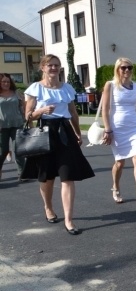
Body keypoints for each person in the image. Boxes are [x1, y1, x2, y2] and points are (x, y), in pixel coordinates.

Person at [20, 55, 95, 234]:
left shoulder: (67, 88)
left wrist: (77, 132)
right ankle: (48, 207)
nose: (54, 68)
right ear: (43, 68)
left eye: (56, 65)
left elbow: (72, 112)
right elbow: (27, 115)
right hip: (44, 131)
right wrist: (42, 111)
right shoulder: (35, 88)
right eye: (50, 65)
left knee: (67, 176)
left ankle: (69, 220)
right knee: (47, 176)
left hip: (65, 131)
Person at [100, 58, 136, 209]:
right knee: (120, 163)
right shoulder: (111, 85)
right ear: (117, 69)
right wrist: (108, 129)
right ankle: (116, 186)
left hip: (134, 127)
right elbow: (105, 109)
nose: (127, 70)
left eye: (129, 67)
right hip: (118, 128)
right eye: (123, 68)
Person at [0, 73, 25, 181]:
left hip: (17, 125)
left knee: (18, 150)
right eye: (4, 82)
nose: (6, 83)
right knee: (3, 151)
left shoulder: (17, 93)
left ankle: (22, 173)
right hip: (2, 127)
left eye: (8, 82)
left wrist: (26, 119)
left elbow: (23, 107)